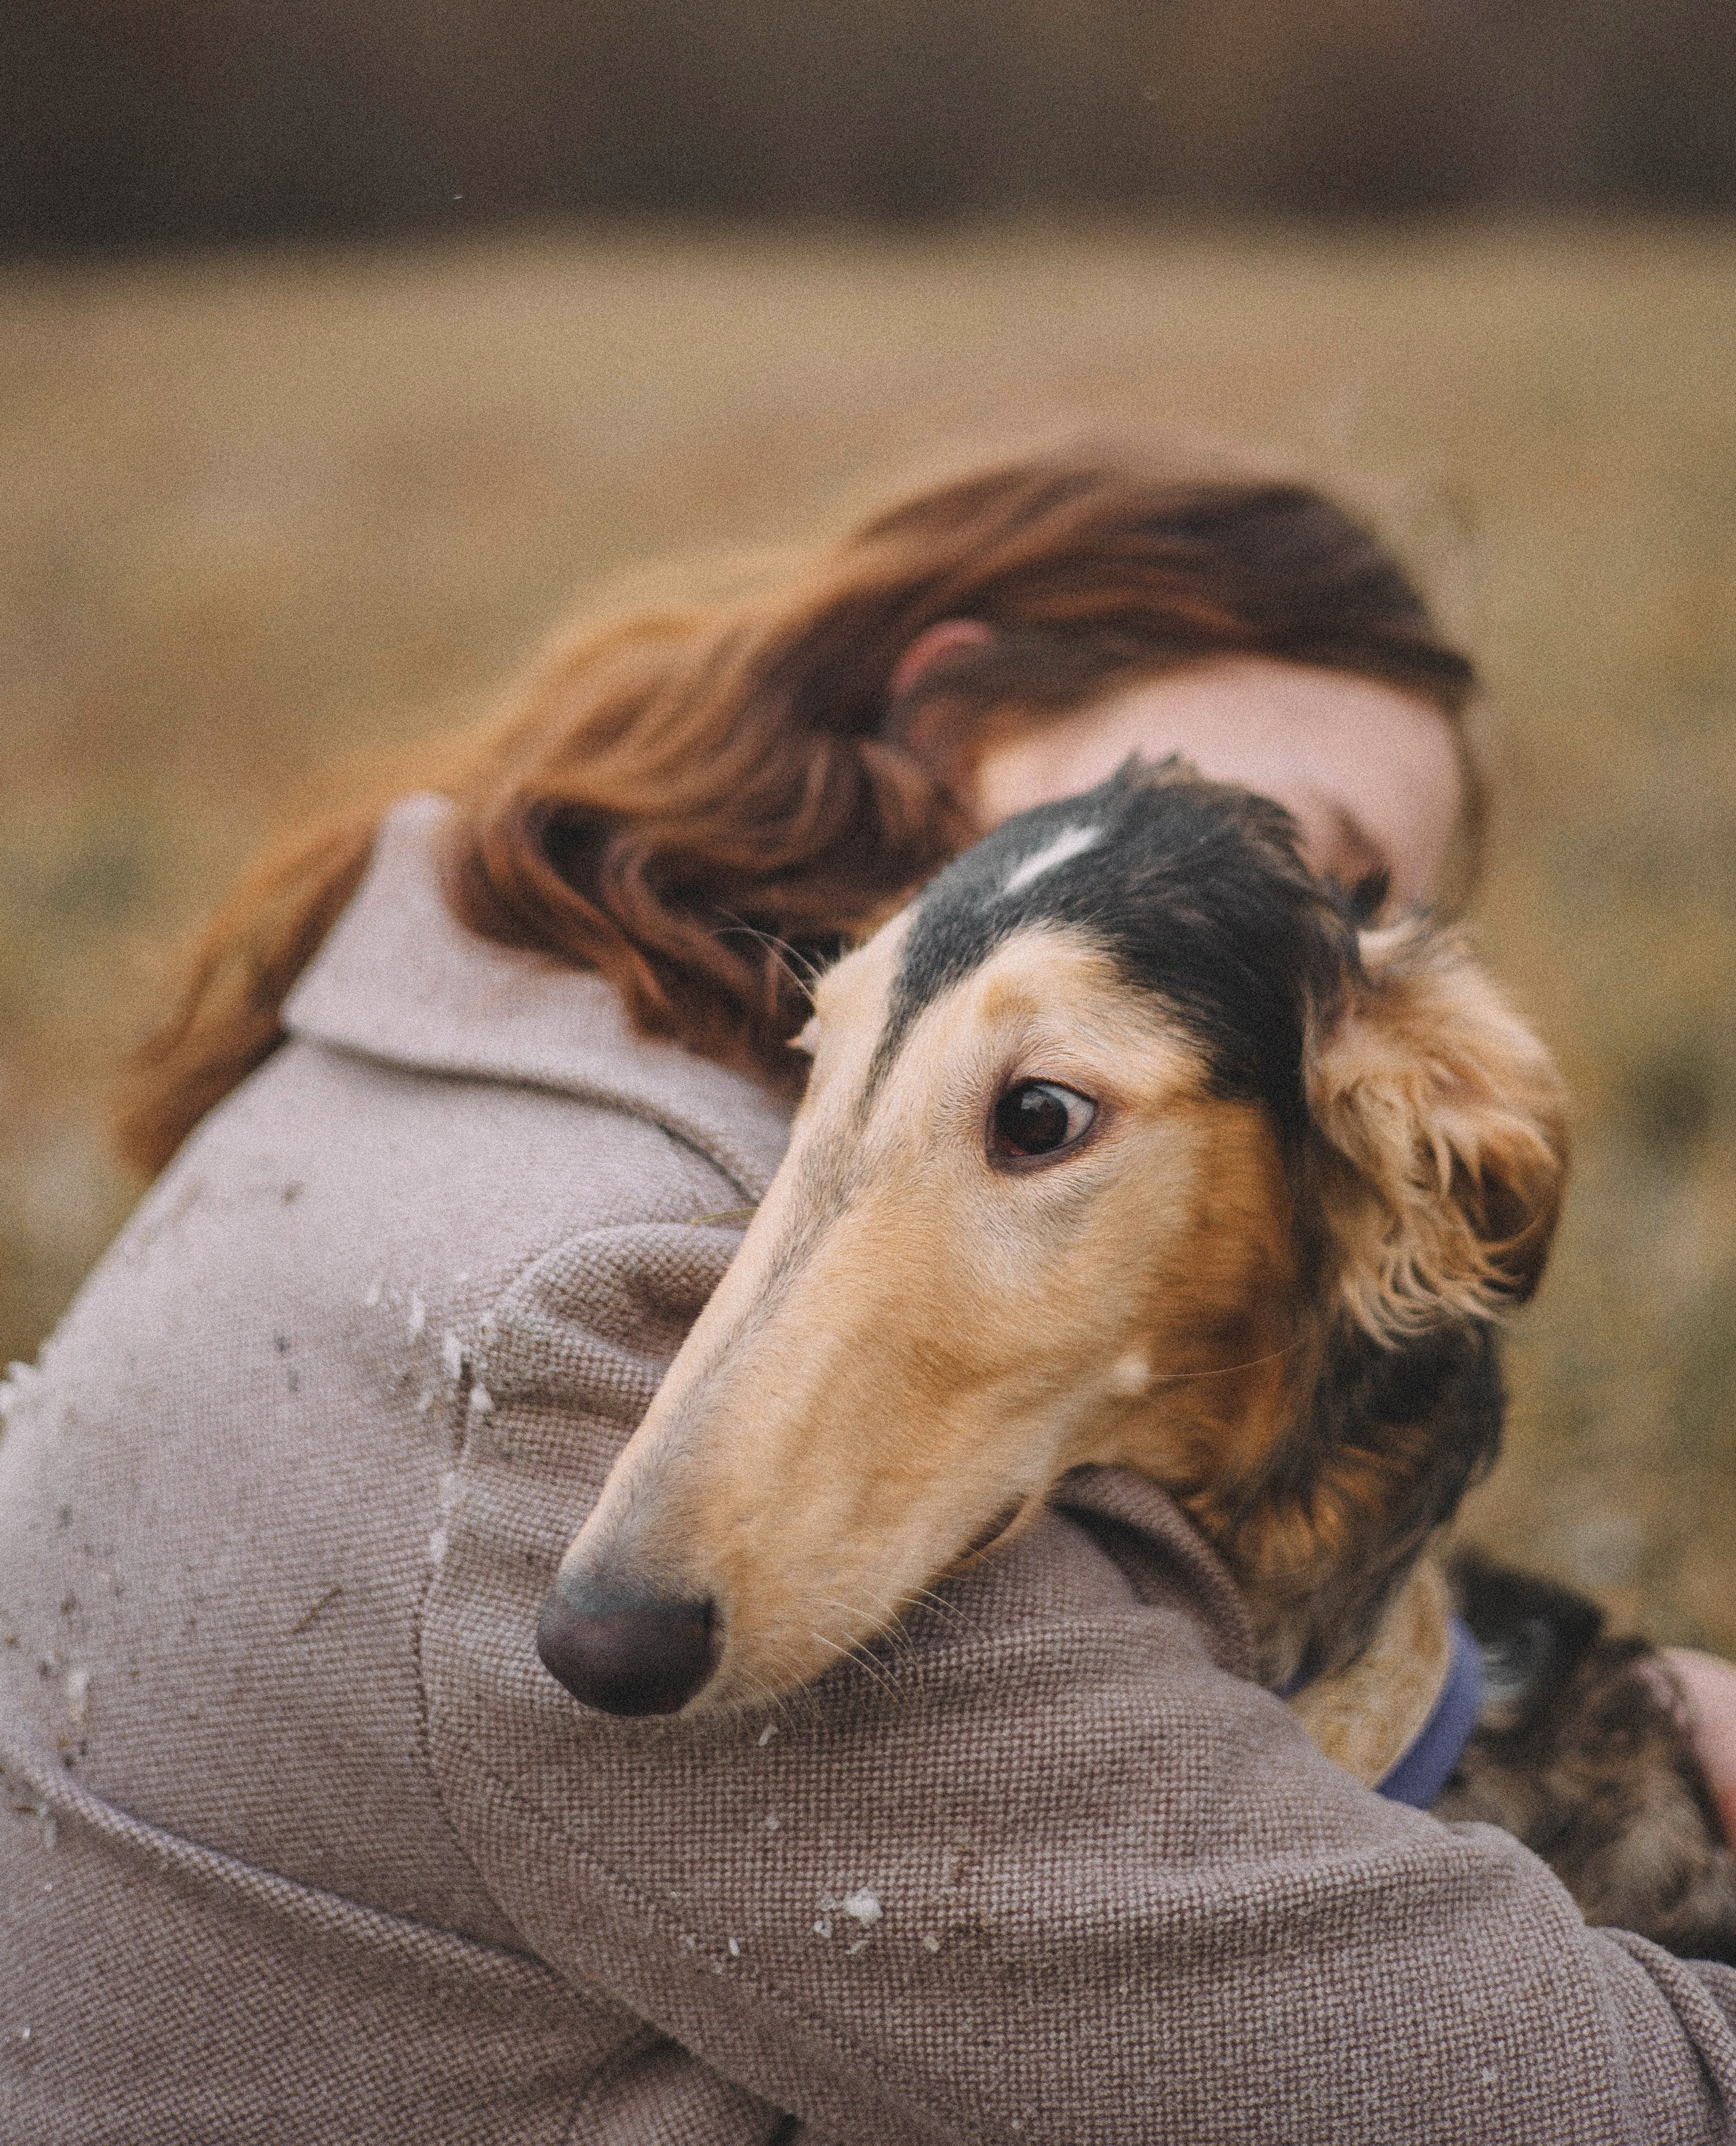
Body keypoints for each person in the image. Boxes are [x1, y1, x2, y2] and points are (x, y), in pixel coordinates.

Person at [1, 448, 1734, 2143]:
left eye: (1374, 907)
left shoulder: (484, 1004)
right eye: (1294, 836)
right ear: (954, 723)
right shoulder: (616, 1330)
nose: (1303, 920)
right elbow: (1558, 2093)